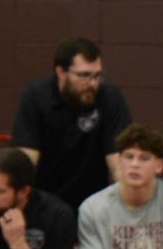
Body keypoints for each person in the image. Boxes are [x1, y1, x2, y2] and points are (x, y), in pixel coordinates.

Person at [12, 36, 134, 211]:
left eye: (98, 75)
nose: (93, 83)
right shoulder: (36, 97)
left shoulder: (110, 99)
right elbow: (26, 163)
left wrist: (128, 209)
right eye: (84, 75)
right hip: (45, 205)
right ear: (61, 72)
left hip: (94, 206)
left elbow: (118, 164)